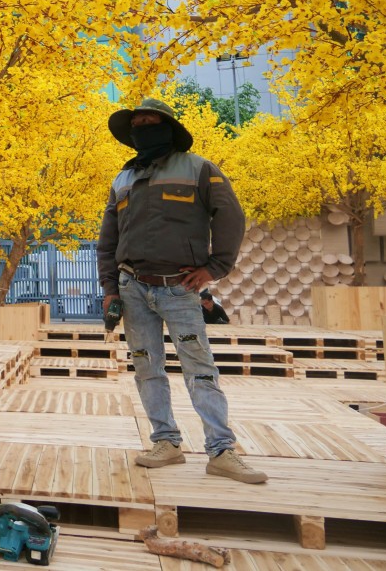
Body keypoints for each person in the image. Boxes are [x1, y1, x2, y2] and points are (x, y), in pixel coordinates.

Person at [97, 98, 267, 484]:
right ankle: (166, 442)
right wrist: (110, 288)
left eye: (150, 121)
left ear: (167, 128)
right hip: (132, 289)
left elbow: (231, 216)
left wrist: (214, 268)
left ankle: (221, 450)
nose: (142, 127)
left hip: (179, 290)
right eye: (136, 123)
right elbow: (107, 241)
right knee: (146, 367)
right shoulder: (122, 179)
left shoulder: (199, 169)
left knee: (199, 367)